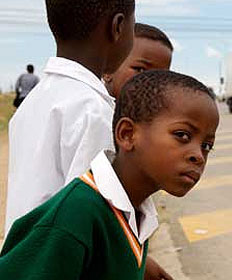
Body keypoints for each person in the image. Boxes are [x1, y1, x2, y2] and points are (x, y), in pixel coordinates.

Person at [0, 70, 220, 280]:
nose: (198, 155)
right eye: (182, 135)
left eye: (207, 145)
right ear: (127, 134)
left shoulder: (135, 212)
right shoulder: (73, 218)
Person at [5, 0, 135, 233]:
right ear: (117, 27)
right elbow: (93, 224)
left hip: (28, 258)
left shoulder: (33, 102)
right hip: (63, 265)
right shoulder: (94, 111)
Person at [104, 22, 178, 280]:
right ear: (108, 67)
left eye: (162, 77)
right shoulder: (100, 119)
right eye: (140, 70)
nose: (149, 84)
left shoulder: (126, 120)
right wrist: (138, 259)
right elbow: (101, 207)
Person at [104, 22, 174, 99]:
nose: (153, 82)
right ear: (107, 72)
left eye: (162, 76)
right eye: (140, 69)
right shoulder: (93, 106)